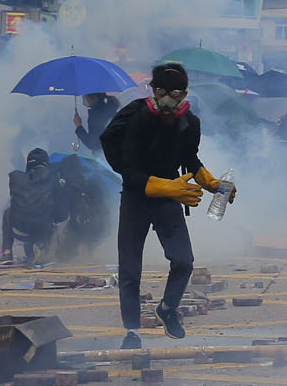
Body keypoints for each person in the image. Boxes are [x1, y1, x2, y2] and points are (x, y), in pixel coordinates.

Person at [99, 63, 234, 349]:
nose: (168, 100)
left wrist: (212, 184)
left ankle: (167, 309)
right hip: (136, 198)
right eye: (161, 91)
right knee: (130, 269)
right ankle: (132, 332)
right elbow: (130, 171)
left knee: (184, 260)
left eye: (175, 93)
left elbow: (191, 159)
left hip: (170, 200)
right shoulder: (136, 117)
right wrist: (167, 187)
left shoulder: (190, 124)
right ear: (152, 90)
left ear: (184, 94)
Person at [3, 147, 66, 264]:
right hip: (43, 228)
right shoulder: (53, 179)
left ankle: (7, 253)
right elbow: (62, 213)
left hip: (19, 229)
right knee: (48, 214)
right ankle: (42, 246)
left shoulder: (17, 179)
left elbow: (15, 202)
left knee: (7, 213)